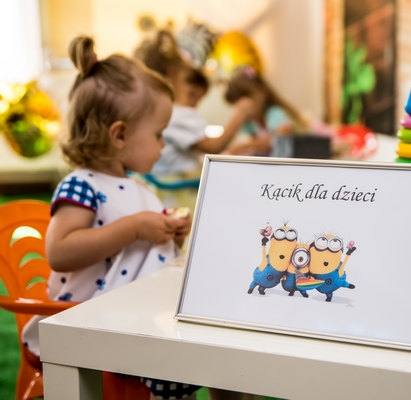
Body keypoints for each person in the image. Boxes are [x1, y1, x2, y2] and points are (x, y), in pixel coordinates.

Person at [21, 35, 200, 400]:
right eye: (159, 134)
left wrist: (170, 233)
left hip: (133, 316)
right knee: (179, 369)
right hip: (88, 322)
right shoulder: (81, 185)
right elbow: (60, 251)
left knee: (199, 355)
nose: (163, 145)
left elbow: (140, 254)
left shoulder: (139, 187)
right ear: (119, 135)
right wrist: (134, 228)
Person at [134, 30, 252, 174]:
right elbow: (213, 147)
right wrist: (241, 113)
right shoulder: (176, 114)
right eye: (186, 71)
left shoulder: (159, 111)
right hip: (179, 182)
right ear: (171, 73)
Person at [223, 65, 311, 156]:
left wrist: (245, 146)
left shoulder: (275, 113)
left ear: (262, 91)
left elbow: (281, 140)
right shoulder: (249, 123)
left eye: (244, 100)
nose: (241, 107)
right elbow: (258, 148)